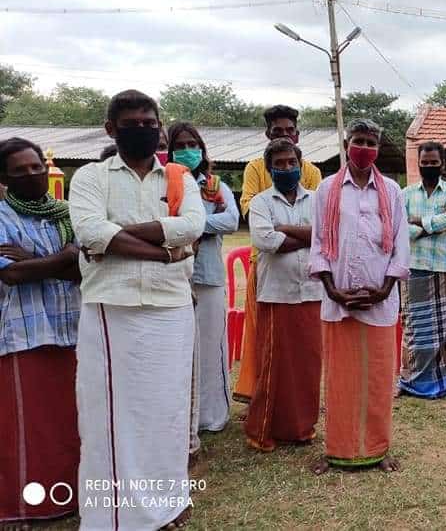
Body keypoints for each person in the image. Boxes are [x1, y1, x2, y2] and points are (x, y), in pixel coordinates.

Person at [69, 89, 204, 529]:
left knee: (166, 409)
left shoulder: (179, 179)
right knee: (111, 414)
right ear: (111, 129)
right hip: (114, 306)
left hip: (171, 306)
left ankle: (165, 503)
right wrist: (164, 252)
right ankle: (115, 517)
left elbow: (193, 226)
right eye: (132, 123)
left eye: (150, 122)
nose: (144, 129)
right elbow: (90, 232)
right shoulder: (90, 177)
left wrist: (117, 237)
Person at [308, 118, 409, 474]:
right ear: (347, 143)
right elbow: (319, 244)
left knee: (379, 378)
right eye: (358, 141)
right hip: (338, 303)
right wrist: (334, 291)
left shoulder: (393, 191)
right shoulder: (326, 189)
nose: (364, 148)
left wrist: (383, 290)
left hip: (380, 302)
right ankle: (337, 449)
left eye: (371, 142)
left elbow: (400, 246)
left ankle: (378, 449)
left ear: (377, 149)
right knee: (339, 378)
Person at [0, 138, 81, 524]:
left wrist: (37, 260)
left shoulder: (67, 212)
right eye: (20, 170)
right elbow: (11, 274)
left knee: (70, 420)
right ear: (4, 177)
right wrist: (63, 258)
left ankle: (70, 495)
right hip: (24, 331)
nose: (32, 175)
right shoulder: (1, 215)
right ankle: (29, 504)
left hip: (73, 328)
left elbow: (86, 268)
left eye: (36, 167)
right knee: (29, 425)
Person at [234, 105, 323, 406]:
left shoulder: (312, 171)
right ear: (267, 134)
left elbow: (320, 226)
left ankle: (298, 401)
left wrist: (283, 227)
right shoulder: (254, 169)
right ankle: (259, 395)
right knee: (265, 339)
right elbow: (253, 215)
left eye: (289, 131)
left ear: (297, 134)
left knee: (304, 345)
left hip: (306, 272)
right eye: (277, 131)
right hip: (265, 266)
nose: (286, 168)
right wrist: (301, 233)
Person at [244, 138, 324, 452]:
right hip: (277, 293)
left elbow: (327, 235)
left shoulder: (317, 199)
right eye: (279, 164)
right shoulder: (261, 202)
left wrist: (286, 229)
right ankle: (262, 429)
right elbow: (264, 240)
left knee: (308, 365)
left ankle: (302, 428)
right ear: (269, 168)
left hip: (313, 291)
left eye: (291, 162)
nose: (287, 168)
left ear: (300, 165)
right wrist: (308, 235)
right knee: (273, 364)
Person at [167, 122, 239, 458]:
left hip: (207, 275)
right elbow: (160, 223)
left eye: (193, 143)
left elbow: (232, 220)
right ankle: (181, 419)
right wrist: (188, 228)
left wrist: (193, 225)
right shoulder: (164, 183)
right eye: (180, 144)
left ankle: (212, 416)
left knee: (212, 347)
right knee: (177, 350)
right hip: (172, 277)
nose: (188, 149)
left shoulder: (214, 185)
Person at [399, 141, 446, 399]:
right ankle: (410, 380)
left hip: (443, 267)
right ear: (419, 163)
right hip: (413, 268)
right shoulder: (405, 193)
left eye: (433, 162)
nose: (429, 166)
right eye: (425, 162)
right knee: (414, 328)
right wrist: (429, 226)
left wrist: (418, 222)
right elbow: (400, 228)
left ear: (443, 163)